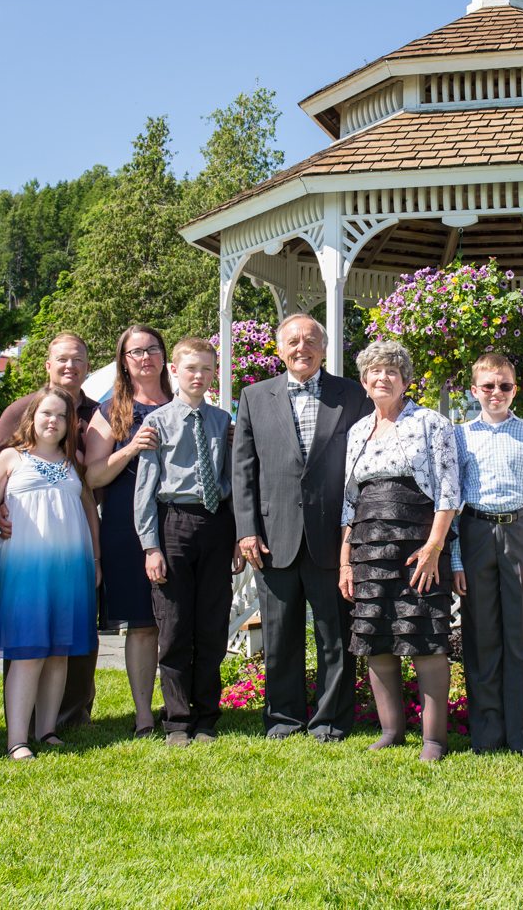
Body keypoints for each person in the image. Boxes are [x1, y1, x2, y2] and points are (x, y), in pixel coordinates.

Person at [232, 313, 372, 742]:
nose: (301, 348)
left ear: (324, 348)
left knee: (335, 637)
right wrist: (246, 529)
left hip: (333, 537)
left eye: (310, 340)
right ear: (280, 349)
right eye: (293, 341)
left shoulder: (351, 395)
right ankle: (284, 719)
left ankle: (330, 721)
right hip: (273, 538)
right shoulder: (255, 396)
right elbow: (243, 468)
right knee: (280, 636)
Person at [339, 340, 461, 761]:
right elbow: (348, 501)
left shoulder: (432, 423)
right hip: (369, 547)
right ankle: (391, 731)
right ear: (364, 381)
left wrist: (434, 546)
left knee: (425, 636)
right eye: (374, 371)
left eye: (392, 371)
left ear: (406, 380)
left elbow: (449, 489)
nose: (382, 378)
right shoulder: (357, 431)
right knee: (376, 635)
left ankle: (433, 740)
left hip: (418, 542)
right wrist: (345, 560)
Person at [0, 386, 101, 760]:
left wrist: (95, 560)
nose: (53, 421)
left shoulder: (72, 463)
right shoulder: (11, 459)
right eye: (46, 413)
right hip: (24, 569)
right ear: (32, 417)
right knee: (29, 652)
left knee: (59, 652)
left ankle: (47, 730)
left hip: (70, 569)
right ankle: (17, 738)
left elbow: (88, 511)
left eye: (61, 416)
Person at [134, 338, 241, 747]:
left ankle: (207, 716)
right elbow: (144, 489)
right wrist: (151, 546)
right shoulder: (158, 423)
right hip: (174, 522)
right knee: (175, 627)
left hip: (215, 524)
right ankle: (177, 720)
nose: (199, 376)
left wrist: (235, 536)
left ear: (214, 373)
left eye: (206, 369)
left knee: (212, 625)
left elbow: (232, 481)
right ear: (174, 371)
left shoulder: (222, 422)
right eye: (191, 368)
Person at [450, 353, 523, 755]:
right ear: (475, 390)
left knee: (522, 636)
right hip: (475, 532)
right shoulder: (459, 435)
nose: (497, 393)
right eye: (489, 386)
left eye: (505, 386)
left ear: (516, 389)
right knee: (481, 637)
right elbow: (453, 497)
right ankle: (487, 735)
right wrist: (457, 559)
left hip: (520, 533)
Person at [85, 325, 171, 737]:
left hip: (179, 522)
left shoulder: (182, 401)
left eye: (153, 349)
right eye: (136, 352)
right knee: (141, 623)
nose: (146, 357)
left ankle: (179, 703)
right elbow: (93, 475)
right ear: (124, 360)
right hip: (127, 525)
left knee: (175, 619)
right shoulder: (109, 412)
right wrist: (131, 447)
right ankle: (143, 714)